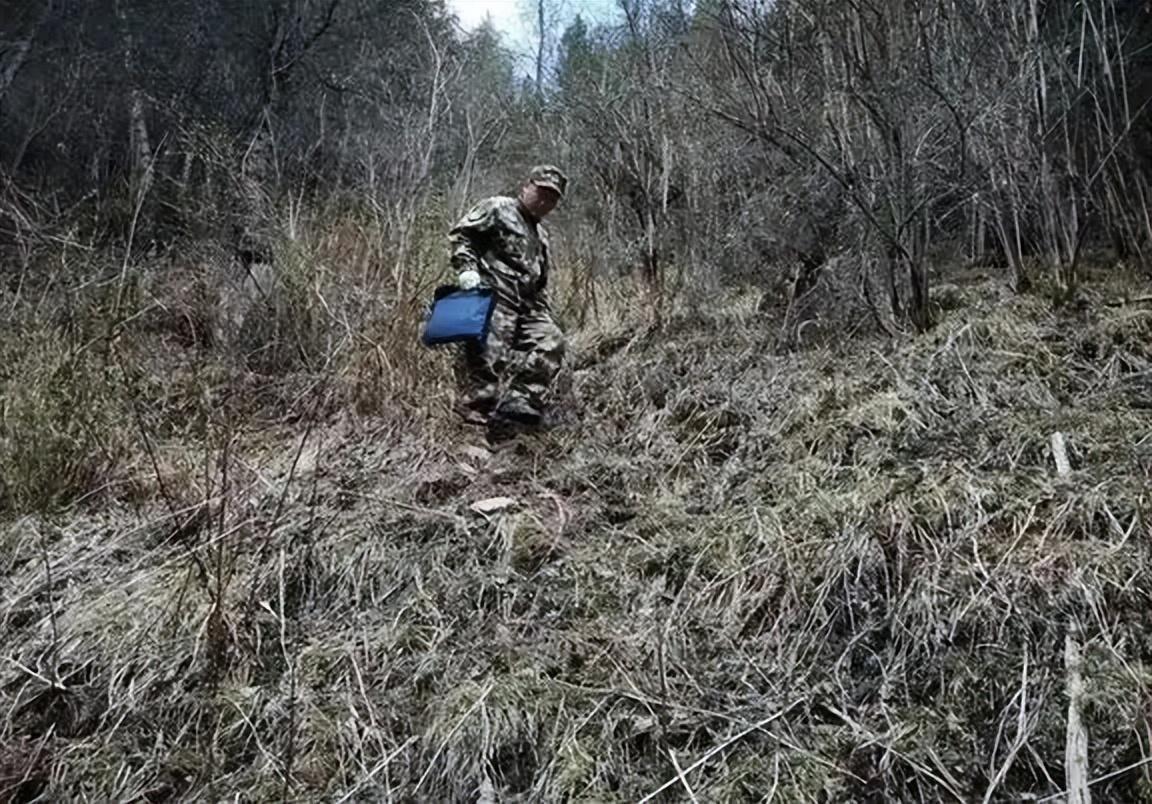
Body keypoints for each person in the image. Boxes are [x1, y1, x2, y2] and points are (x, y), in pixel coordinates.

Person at [447, 165, 568, 434]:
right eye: (541, 192)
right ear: (526, 186)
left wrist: (543, 313)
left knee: (552, 340)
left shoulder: (542, 235)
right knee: (490, 354)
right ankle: (474, 413)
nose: (545, 201)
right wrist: (467, 269)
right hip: (493, 295)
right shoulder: (498, 208)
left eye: (552, 198)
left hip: (527, 306)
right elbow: (462, 234)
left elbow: (539, 281)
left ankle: (519, 401)